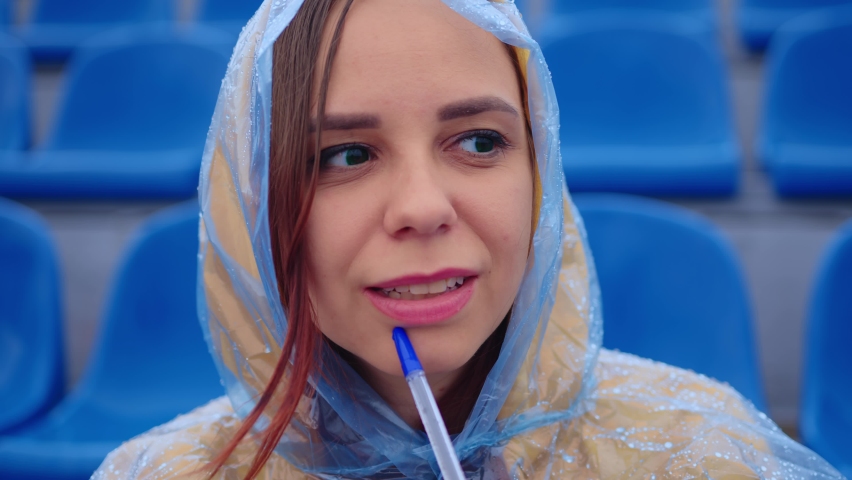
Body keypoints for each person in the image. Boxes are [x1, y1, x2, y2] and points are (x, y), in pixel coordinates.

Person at [93, 0, 844, 478]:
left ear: (540, 174)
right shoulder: (162, 472)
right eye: (345, 155)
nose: (422, 207)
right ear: (253, 207)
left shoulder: (700, 456)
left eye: (480, 141)